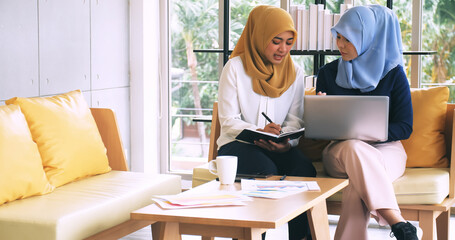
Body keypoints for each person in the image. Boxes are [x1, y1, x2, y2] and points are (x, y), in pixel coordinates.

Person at [316, 5, 419, 240]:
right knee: (354, 148)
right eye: (338, 37)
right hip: (341, 150)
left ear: (367, 38)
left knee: (357, 185)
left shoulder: (393, 74)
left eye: (348, 39)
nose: (340, 45)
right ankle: (398, 222)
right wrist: (322, 112)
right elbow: (317, 133)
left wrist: (366, 134)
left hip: (387, 151)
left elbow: (405, 126)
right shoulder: (327, 73)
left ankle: (402, 230)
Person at [216, 5, 316, 240]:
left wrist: (286, 143)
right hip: (236, 146)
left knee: (303, 169)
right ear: (259, 36)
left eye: (289, 42)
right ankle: (250, 236)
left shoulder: (295, 72)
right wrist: (258, 130)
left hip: (276, 148)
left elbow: (295, 120)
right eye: (276, 41)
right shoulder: (235, 68)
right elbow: (228, 122)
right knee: (264, 171)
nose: (283, 49)